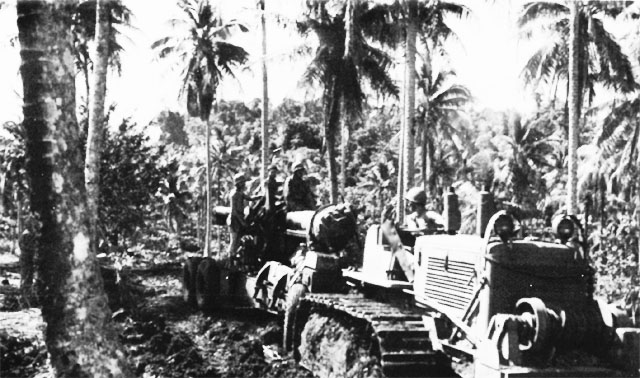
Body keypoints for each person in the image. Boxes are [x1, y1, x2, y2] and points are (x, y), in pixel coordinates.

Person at [227, 173, 261, 257]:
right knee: (234, 241)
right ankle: (230, 259)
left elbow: (249, 198)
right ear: (238, 184)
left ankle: (234, 258)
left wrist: (260, 196)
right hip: (234, 220)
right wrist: (242, 222)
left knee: (238, 241)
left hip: (238, 219)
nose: (244, 184)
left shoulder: (240, 193)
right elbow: (234, 211)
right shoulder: (234, 194)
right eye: (242, 183)